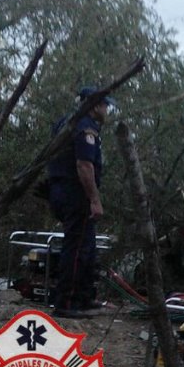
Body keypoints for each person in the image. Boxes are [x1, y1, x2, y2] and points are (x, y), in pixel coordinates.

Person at [46, 87, 115, 319]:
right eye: (106, 105)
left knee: (87, 246)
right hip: (75, 192)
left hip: (61, 189)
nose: (107, 110)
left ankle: (84, 297)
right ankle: (66, 301)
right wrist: (95, 199)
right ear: (95, 105)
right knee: (76, 248)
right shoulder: (85, 126)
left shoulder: (65, 122)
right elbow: (84, 165)